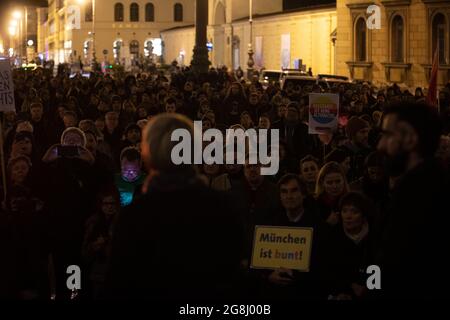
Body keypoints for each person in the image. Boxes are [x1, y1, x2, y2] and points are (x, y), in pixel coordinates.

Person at [105, 114, 242, 299]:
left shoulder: (135, 214)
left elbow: (118, 283)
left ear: (148, 153)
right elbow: (232, 273)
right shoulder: (221, 206)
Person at [376, 101, 450, 299]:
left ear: (410, 139)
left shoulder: (421, 196)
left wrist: (370, 289)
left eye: (387, 135)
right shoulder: (419, 185)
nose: (380, 145)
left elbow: (391, 265)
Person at [322, 192, 374, 300]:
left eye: (354, 212)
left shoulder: (375, 235)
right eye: (344, 211)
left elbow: (379, 265)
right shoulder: (333, 236)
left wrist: (369, 287)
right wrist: (345, 287)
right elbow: (329, 269)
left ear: (363, 215)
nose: (348, 216)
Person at [82, 185, 120, 299]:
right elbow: (84, 252)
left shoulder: (121, 222)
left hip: (115, 272)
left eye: (112, 203)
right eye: (106, 204)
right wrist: (94, 246)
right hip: (97, 271)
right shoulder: (93, 222)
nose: (109, 207)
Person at [315, 161, 349, 226]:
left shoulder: (351, 201)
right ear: (322, 183)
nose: (334, 186)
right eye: (329, 183)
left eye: (338, 181)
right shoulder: (315, 204)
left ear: (344, 180)